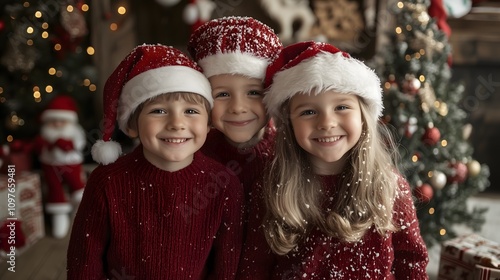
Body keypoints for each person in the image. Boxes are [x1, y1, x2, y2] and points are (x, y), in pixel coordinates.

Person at [237, 41, 429, 279]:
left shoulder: (391, 188)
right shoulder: (271, 189)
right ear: (289, 124)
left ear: (363, 117)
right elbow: (254, 268)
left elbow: (412, 264)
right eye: (308, 111)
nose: (326, 123)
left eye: (341, 107)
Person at [67, 44, 244, 279]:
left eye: (191, 111)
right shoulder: (106, 182)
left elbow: (225, 268)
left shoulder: (224, 185)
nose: (176, 123)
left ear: (209, 123)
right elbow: (84, 264)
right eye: (159, 111)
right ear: (132, 124)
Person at [187, 16, 282, 205]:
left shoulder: (287, 154)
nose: (238, 107)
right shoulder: (192, 154)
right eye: (222, 94)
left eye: (254, 92)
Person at [36, 95, 86, 239]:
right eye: (53, 121)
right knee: (55, 191)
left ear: (69, 120)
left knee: (78, 188)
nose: (57, 124)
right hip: (50, 166)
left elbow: (80, 144)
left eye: (61, 121)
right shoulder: (44, 132)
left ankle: (79, 210)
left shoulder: (75, 131)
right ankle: (59, 216)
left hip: (72, 165)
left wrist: (68, 145)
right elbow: (40, 147)